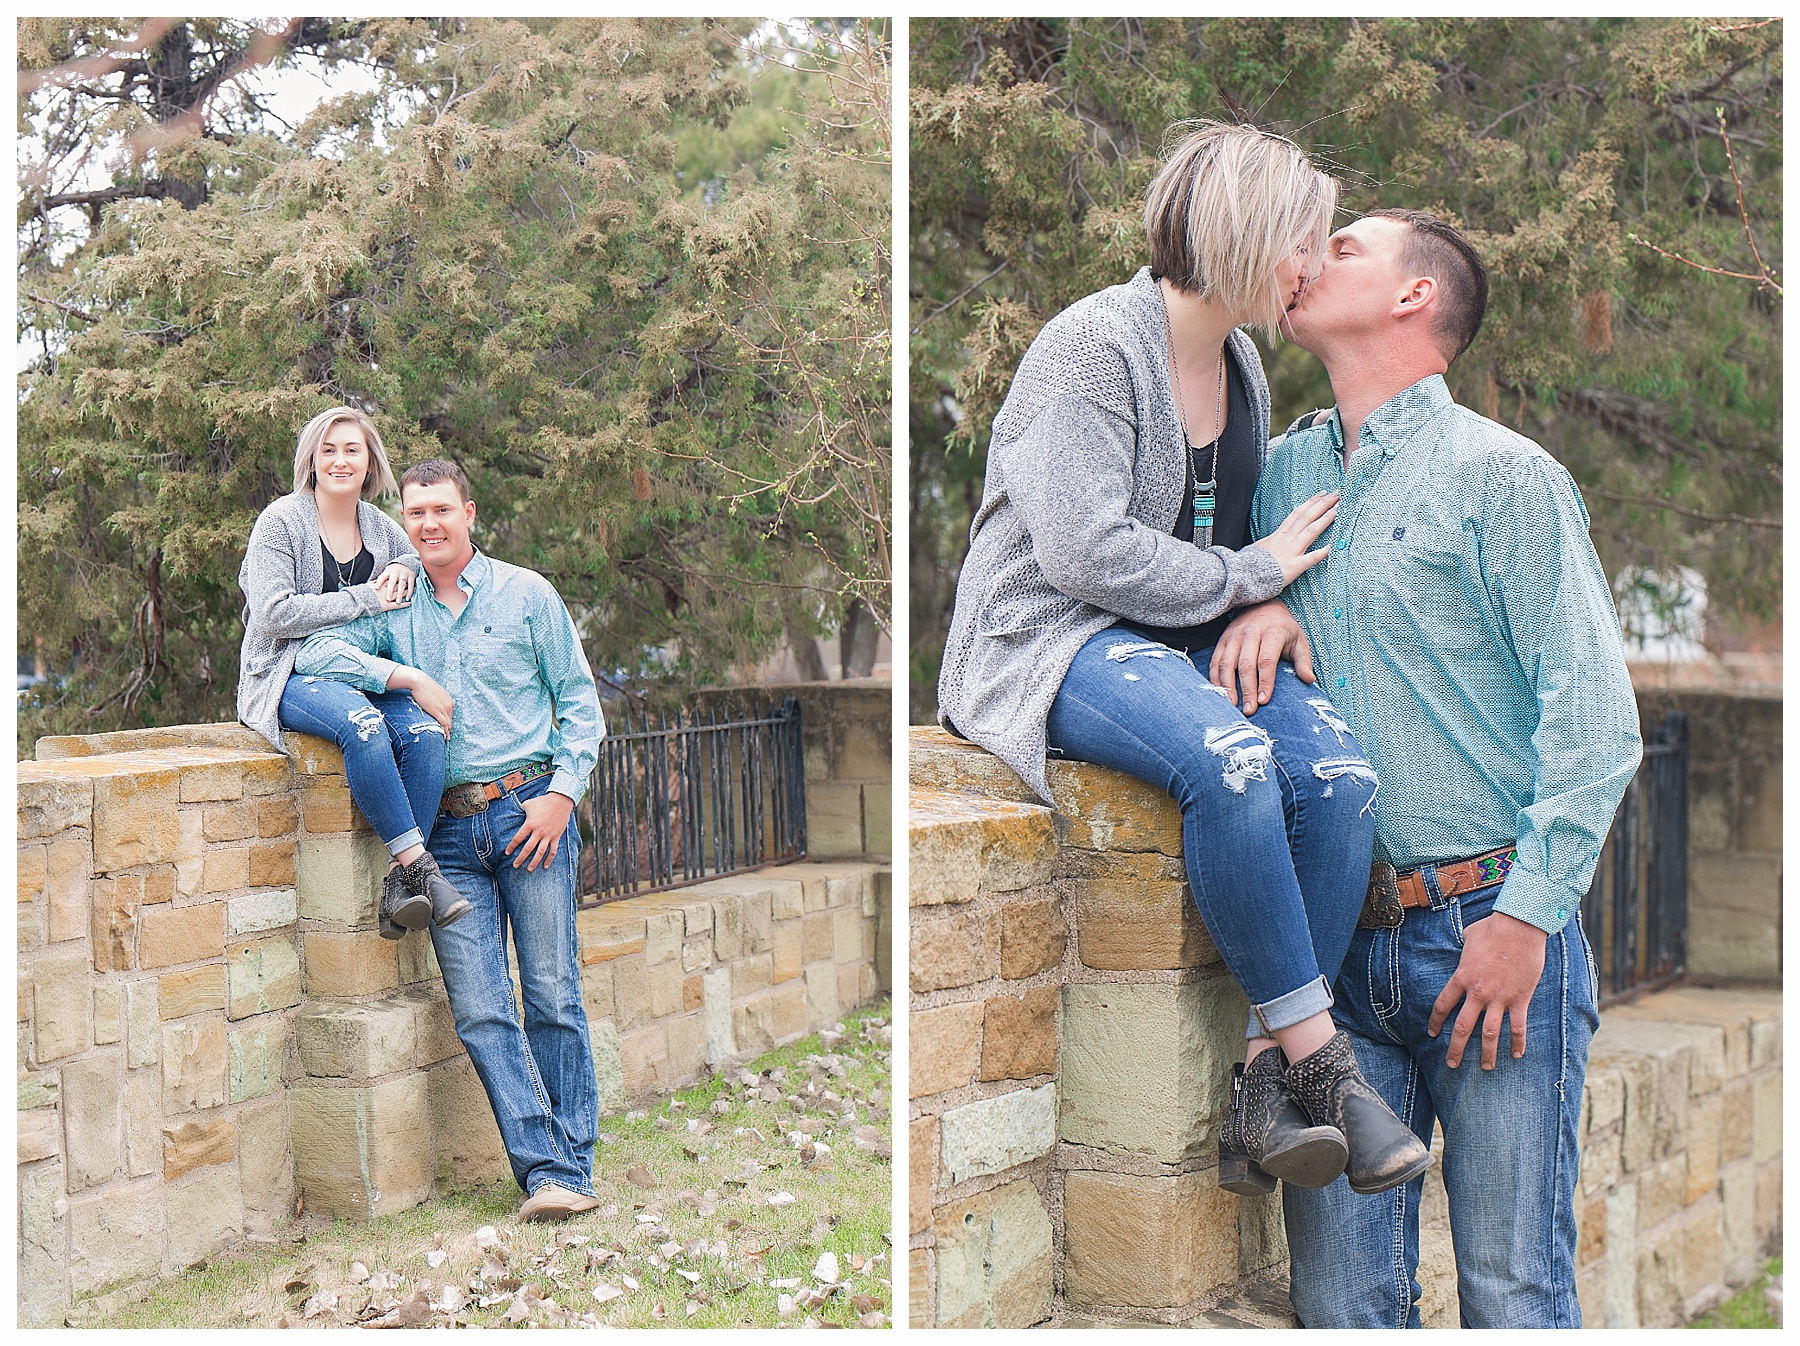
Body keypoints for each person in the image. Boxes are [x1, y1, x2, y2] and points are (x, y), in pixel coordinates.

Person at [936, 121, 1430, 1200]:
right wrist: (1244, 575)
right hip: (1051, 634)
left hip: (1181, 637)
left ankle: (1261, 1083)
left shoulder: (1242, 360)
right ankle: (1329, 1072)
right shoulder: (1094, 346)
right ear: (1250, 236)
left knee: (1342, 781)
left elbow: (1233, 546)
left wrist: (1265, 600)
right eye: (1306, 240)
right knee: (1233, 762)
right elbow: (1081, 548)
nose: (1312, 264)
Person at [1213, 209, 1643, 1327]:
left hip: (1490, 939)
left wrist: (1530, 917)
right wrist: (1254, 602)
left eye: (1346, 248)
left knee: (1512, 1290)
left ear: (1414, 299)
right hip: (1333, 952)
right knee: (1347, 1304)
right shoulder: (1287, 469)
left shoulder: (1506, 478)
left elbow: (1596, 721)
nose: (1309, 258)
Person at [292, 458, 606, 1223]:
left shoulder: (529, 594)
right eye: (415, 511)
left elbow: (580, 704)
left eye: (441, 509)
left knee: (553, 994)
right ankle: (548, 1175)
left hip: (531, 812)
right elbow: (312, 655)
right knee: (480, 1011)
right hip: (447, 838)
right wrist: (405, 680)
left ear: (469, 512)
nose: (428, 523)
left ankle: (573, 1165)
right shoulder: (395, 605)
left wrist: (563, 796)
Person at [237, 406, 471, 940]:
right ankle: (424, 870)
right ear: (311, 460)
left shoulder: (381, 528)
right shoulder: (280, 522)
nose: (340, 461)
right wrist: (366, 596)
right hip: (287, 672)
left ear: (370, 464)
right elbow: (274, 615)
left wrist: (402, 567)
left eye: (353, 451)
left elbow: (411, 558)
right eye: (329, 450)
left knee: (426, 735)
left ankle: (399, 884)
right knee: (362, 727)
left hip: (360, 673)